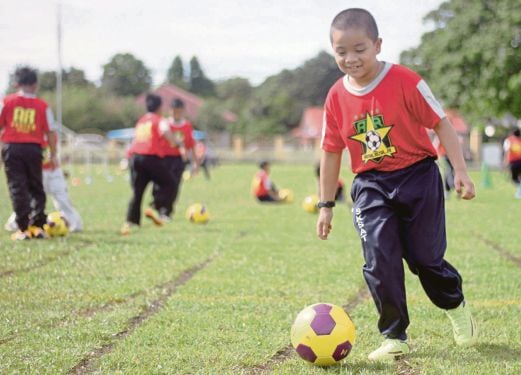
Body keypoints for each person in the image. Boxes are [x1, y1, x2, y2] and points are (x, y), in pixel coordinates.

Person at [316, 8, 477, 361]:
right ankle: (394, 336)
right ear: (332, 50)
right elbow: (330, 152)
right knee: (379, 255)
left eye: (359, 49)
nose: (350, 58)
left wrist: (461, 171)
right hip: (370, 184)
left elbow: (442, 124)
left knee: (425, 258)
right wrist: (325, 205)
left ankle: (455, 305)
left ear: (377, 45)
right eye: (341, 51)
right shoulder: (335, 97)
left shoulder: (405, 80)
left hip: (418, 175)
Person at [0, 66, 58, 240]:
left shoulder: (7, 102)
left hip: (13, 148)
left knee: (18, 188)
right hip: (34, 148)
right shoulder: (42, 106)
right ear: (35, 85)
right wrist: (53, 153)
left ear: (17, 83)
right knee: (36, 187)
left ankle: (23, 229)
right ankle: (38, 227)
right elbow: (51, 132)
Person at [121, 94, 178, 235]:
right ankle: (157, 206)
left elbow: (135, 141)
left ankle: (131, 220)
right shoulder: (159, 120)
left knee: (137, 191)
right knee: (170, 183)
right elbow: (166, 133)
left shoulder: (141, 121)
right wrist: (175, 142)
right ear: (159, 107)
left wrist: (126, 158)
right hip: (151, 157)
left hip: (135, 158)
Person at [4, 137, 83, 232]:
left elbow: (55, 150)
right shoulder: (32, 136)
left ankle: (74, 223)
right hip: (37, 171)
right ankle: (14, 222)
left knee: (62, 198)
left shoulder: (51, 135)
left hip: (54, 170)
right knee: (29, 199)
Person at [145, 98, 196, 224]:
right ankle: (157, 203)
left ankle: (166, 212)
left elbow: (191, 144)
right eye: (174, 111)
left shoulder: (187, 126)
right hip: (162, 158)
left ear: (183, 111)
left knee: (174, 186)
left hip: (178, 160)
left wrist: (195, 162)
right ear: (170, 111)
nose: (176, 113)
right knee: (159, 184)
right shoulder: (164, 123)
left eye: (179, 111)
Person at [503, 128, 521, 198]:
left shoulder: (509, 140)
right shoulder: (520, 140)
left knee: (514, 179)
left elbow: (507, 152)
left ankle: (519, 192)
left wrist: (505, 162)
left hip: (514, 162)